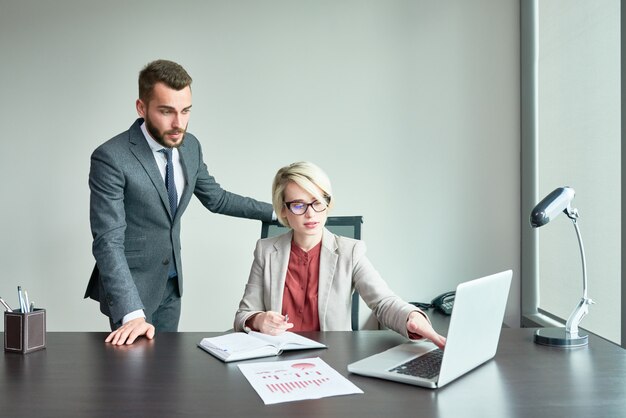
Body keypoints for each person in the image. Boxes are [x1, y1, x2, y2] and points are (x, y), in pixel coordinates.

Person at [86, 59, 274, 345]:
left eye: (185, 111)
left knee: (166, 375)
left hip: (172, 284)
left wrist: (277, 212)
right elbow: (107, 241)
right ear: (141, 108)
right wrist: (131, 313)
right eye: (166, 111)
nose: (178, 123)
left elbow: (216, 198)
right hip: (132, 289)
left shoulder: (190, 146)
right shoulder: (111, 157)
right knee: (133, 383)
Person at [234, 162, 446, 349]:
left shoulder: (350, 252)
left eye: (318, 202)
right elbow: (243, 314)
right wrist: (259, 320)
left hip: (331, 358)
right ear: (283, 211)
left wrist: (412, 317)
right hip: (277, 360)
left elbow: (384, 302)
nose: (311, 213)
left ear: (327, 204)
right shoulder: (266, 251)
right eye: (299, 205)